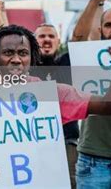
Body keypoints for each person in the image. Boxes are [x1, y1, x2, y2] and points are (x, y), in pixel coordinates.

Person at [0, 25, 111, 185]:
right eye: (8, 53)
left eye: (23, 53)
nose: (16, 59)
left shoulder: (53, 94)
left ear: (31, 58)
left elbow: (109, 107)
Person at [71, 0, 111, 189]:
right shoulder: (90, 55)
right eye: (109, 25)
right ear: (101, 29)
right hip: (93, 160)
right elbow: (78, 38)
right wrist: (96, 0)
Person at [33, 23, 78, 188]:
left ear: (58, 41)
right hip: (33, 145)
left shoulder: (67, 64)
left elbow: (80, 39)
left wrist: (96, 1)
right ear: (33, 41)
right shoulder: (24, 67)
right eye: (42, 36)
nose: (46, 39)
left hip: (67, 144)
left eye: (51, 36)